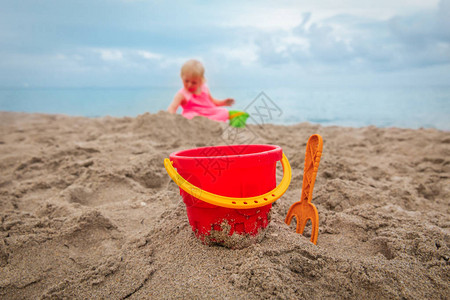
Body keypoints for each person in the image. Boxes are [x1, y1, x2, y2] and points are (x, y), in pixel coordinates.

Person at [167, 59, 248, 127]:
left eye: (194, 82)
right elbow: (172, 108)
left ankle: (219, 119)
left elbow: (212, 101)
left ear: (201, 80)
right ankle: (209, 122)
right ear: (182, 77)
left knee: (223, 111)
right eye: (186, 81)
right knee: (188, 117)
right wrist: (170, 119)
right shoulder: (182, 94)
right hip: (195, 116)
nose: (189, 85)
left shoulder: (204, 88)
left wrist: (223, 102)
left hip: (209, 112)